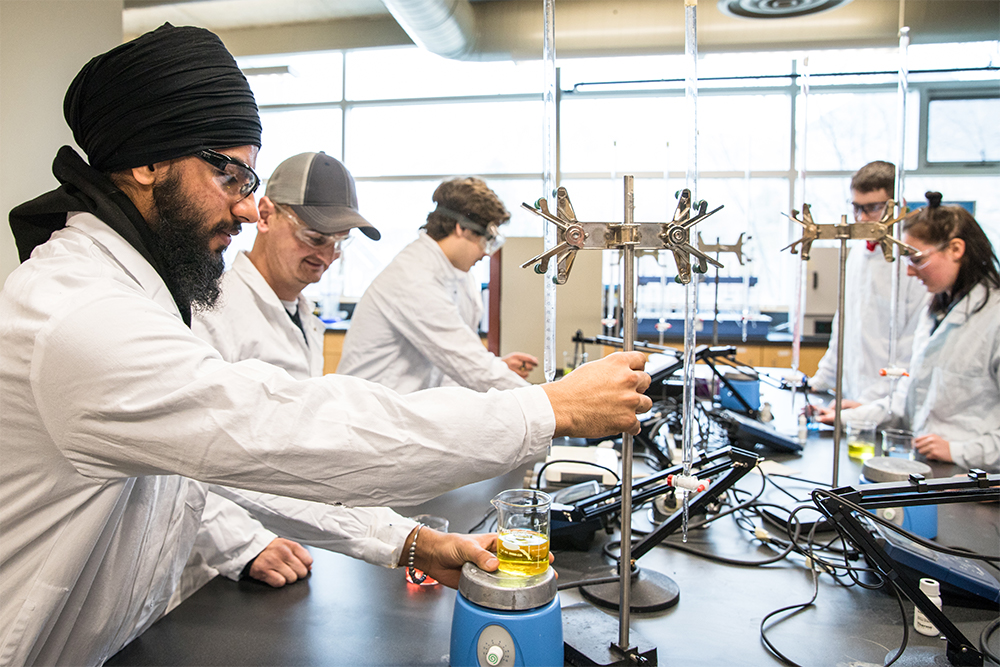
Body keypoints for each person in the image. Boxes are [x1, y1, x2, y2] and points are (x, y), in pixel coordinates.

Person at [0, 24, 652, 666]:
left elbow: (227, 469)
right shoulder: (80, 312)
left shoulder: (148, 296)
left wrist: (410, 542)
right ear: (145, 162)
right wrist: (545, 409)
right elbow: (279, 430)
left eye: (251, 184)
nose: (247, 209)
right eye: (230, 176)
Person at [179, 151, 409, 605]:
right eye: (315, 236)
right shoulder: (210, 313)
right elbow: (179, 460)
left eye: (339, 242)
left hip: (285, 545)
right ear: (264, 214)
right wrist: (244, 546)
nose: (326, 255)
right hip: (211, 572)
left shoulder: (304, 314)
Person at [814, 192, 1000, 472]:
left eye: (916, 259)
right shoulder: (936, 313)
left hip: (975, 480)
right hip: (932, 470)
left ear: (956, 249)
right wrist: (852, 416)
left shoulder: (994, 319)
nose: (910, 272)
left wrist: (960, 450)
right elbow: (908, 399)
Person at [337, 177, 539, 393]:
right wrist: (552, 402)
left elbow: (459, 363)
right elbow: (468, 364)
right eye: (486, 240)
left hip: (406, 409)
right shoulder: (413, 277)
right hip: (370, 413)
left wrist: (498, 368)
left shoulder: (459, 274)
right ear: (461, 228)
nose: (487, 252)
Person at [808, 161, 930, 404]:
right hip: (851, 400)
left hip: (889, 403)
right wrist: (820, 382)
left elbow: (913, 348)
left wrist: (872, 403)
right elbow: (844, 326)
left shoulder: (912, 261)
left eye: (872, 208)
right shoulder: (857, 253)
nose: (861, 218)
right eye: (856, 208)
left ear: (899, 205)